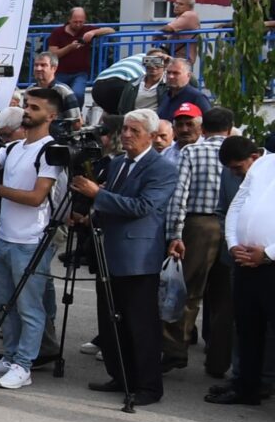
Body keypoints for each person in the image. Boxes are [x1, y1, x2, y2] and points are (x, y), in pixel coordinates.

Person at [0, 86, 69, 390]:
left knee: (29, 307)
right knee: (4, 303)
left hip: (31, 241)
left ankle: (24, 364)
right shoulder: (14, 147)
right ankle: (10, 355)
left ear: (51, 116)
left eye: (35, 108)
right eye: (27, 106)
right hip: (3, 238)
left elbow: (38, 197)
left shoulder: (49, 151)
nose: (27, 111)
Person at [78, 108, 176, 406]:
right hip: (108, 251)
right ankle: (121, 376)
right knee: (111, 321)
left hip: (138, 257)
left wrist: (98, 195)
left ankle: (148, 386)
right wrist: (89, 214)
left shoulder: (162, 169)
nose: (127, 135)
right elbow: (111, 203)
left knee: (140, 323)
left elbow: (142, 206)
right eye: (125, 129)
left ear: (149, 135)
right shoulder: (119, 162)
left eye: (134, 131)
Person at [165, 104, 232, 376]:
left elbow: (178, 196)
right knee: (224, 297)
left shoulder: (192, 151)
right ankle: (218, 360)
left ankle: (174, 351)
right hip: (229, 225)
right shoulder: (241, 151)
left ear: (202, 129)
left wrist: (174, 233)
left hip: (198, 223)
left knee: (188, 291)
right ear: (230, 129)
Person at [211, 136, 273, 405]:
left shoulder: (262, 163)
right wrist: (234, 243)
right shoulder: (263, 165)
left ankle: (262, 383)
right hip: (246, 261)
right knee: (247, 328)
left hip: (269, 264)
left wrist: (268, 253)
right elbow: (236, 206)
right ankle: (246, 387)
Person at [43, 6, 114, 102]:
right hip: (60, 72)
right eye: (75, 22)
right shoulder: (58, 32)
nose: (78, 24)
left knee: (78, 94)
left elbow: (111, 30)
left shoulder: (86, 30)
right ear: (69, 20)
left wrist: (93, 32)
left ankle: (76, 114)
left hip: (80, 72)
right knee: (56, 96)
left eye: (81, 22)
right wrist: (69, 48)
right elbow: (53, 55)